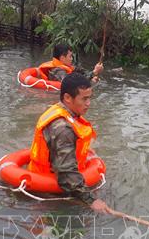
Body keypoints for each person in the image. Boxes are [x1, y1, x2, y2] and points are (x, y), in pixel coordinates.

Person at [27, 73, 110, 213]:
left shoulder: (63, 112)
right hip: (48, 192)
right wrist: (91, 200)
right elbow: (66, 173)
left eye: (89, 98)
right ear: (67, 98)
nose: (88, 103)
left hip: (54, 175)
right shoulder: (62, 128)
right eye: (84, 99)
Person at [38, 43, 104, 84]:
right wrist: (94, 73)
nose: (72, 59)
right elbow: (72, 84)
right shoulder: (58, 71)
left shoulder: (67, 67)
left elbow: (82, 72)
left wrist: (93, 74)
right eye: (70, 56)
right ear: (62, 58)